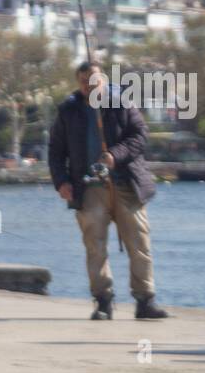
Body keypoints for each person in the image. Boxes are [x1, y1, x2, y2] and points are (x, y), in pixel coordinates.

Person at [48, 60, 168, 320]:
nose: (89, 86)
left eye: (94, 80)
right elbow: (56, 151)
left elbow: (140, 136)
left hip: (126, 185)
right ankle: (103, 301)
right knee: (95, 246)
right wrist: (61, 182)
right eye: (83, 82)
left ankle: (144, 300)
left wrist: (115, 155)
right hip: (89, 188)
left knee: (139, 243)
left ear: (102, 79)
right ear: (78, 84)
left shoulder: (121, 102)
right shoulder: (68, 111)